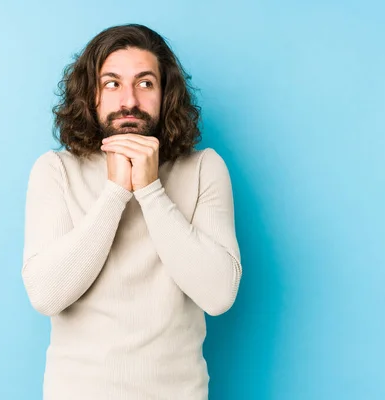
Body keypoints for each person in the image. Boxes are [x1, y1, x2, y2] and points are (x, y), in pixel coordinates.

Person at [21, 23, 242, 400]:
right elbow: (45, 295)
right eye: (112, 84)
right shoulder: (55, 170)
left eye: (145, 83)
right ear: (92, 96)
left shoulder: (204, 167)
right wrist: (115, 193)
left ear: (165, 93)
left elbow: (219, 295)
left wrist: (151, 191)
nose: (129, 101)